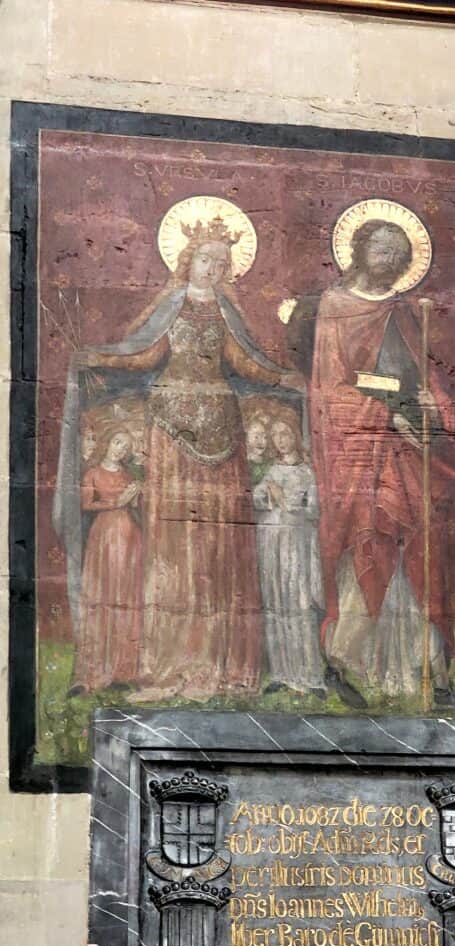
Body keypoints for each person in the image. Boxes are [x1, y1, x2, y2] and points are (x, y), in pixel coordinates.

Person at [55, 215, 303, 697]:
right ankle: (170, 658)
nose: (212, 269)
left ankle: (220, 660)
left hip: (223, 427)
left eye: (222, 264)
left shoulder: (228, 315)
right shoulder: (170, 307)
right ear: (188, 262)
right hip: (169, 426)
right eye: (206, 259)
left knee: (220, 542)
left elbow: (245, 363)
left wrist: (281, 378)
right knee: (174, 540)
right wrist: (99, 357)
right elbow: (143, 355)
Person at [306, 216, 455, 710]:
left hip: (409, 451)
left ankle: (429, 676)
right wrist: (384, 417)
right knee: (371, 546)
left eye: (400, 256)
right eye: (382, 251)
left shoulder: (404, 311)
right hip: (364, 453)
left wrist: (431, 408)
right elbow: (329, 390)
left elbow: (425, 376)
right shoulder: (334, 308)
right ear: (358, 251)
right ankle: (344, 663)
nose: (392, 263)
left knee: (421, 554)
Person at [252, 416, 326, 699]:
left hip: (296, 542)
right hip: (271, 540)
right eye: (276, 436)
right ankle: (282, 673)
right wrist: (267, 494)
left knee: (299, 604)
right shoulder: (270, 470)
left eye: (285, 433)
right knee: (276, 604)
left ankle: (310, 676)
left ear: (295, 436)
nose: (281, 440)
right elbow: (257, 500)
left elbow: (314, 511)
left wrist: (289, 503)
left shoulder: (307, 473)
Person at [71, 430, 143, 693]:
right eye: (117, 442)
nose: (120, 449)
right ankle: (95, 670)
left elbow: (136, 507)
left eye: (126, 446)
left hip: (130, 541)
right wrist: (117, 501)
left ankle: (122, 671)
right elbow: (86, 504)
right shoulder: (92, 473)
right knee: (103, 597)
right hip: (103, 538)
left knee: (125, 598)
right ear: (108, 442)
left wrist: (136, 496)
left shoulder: (128, 476)